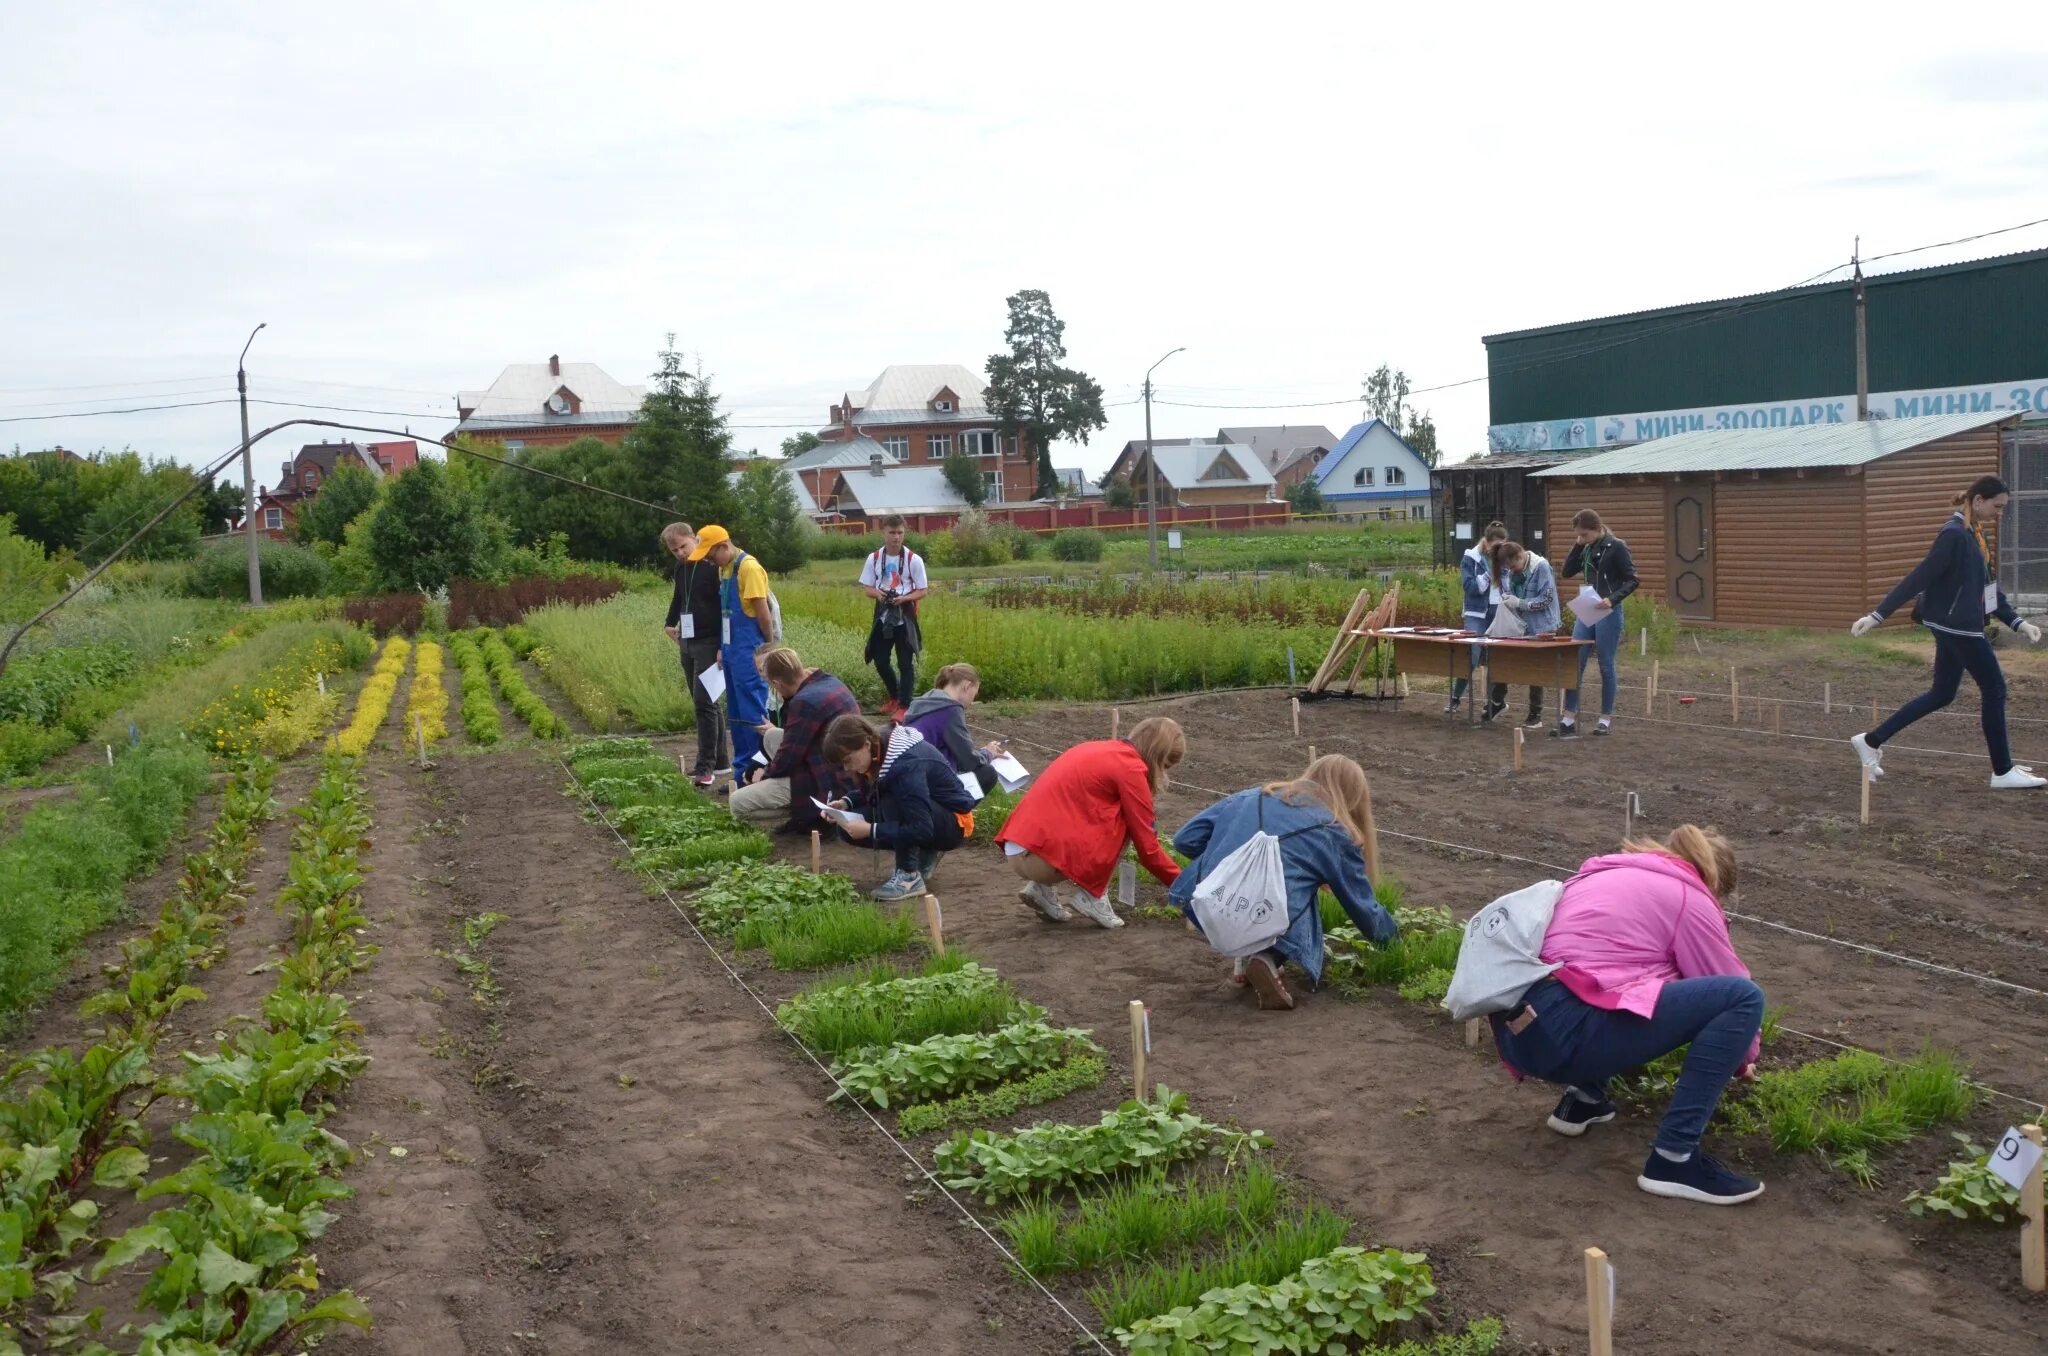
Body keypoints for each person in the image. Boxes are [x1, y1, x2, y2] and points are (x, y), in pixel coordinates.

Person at [1489, 824, 1767, 1206]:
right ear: (1714, 883)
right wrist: (1743, 1057)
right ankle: (1674, 1159)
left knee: (1619, 974)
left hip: (1516, 1031)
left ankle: (1584, 1100)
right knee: (1743, 998)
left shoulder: (1603, 873)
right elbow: (1724, 979)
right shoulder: (1690, 896)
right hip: (1567, 1035)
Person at [1849, 475, 2045, 790]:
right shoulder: (1954, 535)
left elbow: (1988, 589)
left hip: (1955, 626)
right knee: (1995, 689)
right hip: (1960, 628)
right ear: (1978, 501)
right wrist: (1878, 614)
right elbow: (1920, 576)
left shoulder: (1975, 534)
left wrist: (2018, 623)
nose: (2000, 513)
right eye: (1998, 506)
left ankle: (1870, 741)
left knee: (1942, 693)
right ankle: (2003, 771)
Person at [1169, 754, 1400, 1012]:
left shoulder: (1255, 795)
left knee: (1268, 886)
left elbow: (1185, 839)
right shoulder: (1335, 831)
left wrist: (1227, 862)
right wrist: (1396, 945)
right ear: (1353, 796)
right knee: (1295, 890)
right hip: (1262, 912)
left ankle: (1245, 958)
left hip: (1207, 902)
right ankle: (1267, 957)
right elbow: (1362, 907)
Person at [997, 717, 1185, 930]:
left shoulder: (1092, 748)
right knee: (1127, 819)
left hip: (1015, 847)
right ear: (1158, 756)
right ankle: (1094, 896)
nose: (1164, 773)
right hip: (1042, 860)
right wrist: (1184, 885)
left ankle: (1042, 890)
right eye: (1166, 766)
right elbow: (1148, 848)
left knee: (1077, 811)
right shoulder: (1131, 768)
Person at [820, 714, 977, 902]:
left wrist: (872, 829)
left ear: (866, 744)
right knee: (847, 826)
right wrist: (846, 803)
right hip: (927, 812)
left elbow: (921, 828)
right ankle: (923, 852)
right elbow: (875, 787)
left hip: (953, 823)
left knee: (890, 800)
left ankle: (908, 877)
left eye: (847, 760)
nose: (846, 768)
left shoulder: (905, 765)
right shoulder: (880, 748)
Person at [729, 645, 863, 831]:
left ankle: (811, 815)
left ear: (777, 684)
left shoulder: (804, 703)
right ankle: (806, 808)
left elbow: (788, 757)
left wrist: (765, 774)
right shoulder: (828, 681)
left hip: (828, 780)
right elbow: (793, 742)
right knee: (771, 736)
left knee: (737, 803)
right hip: (843, 765)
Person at [689, 525, 779, 774]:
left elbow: (763, 612)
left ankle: (756, 771)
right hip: (730, 650)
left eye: (711, 554)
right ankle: (740, 771)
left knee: (752, 713)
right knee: (737, 715)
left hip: (749, 650)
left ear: (724, 546)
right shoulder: (724, 569)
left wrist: (766, 649)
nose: (709, 560)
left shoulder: (748, 567)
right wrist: (721, 648)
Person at [1557, 509, 1639, 739]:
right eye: (1579, 535)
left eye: (1584, 534)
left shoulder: (1617, 547)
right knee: (1576, 661)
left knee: (1605, 663)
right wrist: (1577, 546)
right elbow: (1566, 572)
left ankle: (1605, 718)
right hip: (1587, 606)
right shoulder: (1585, 547)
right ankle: (1568, 718)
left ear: (1597, 528)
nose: (1582, 538)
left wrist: (1612, 599)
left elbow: (1632, 579)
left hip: (1607, 609)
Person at [662, 522, 729, 789]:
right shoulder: (681, 568)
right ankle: (722, 760)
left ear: (694, 539)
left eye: (683, 546)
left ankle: (705, 767)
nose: (680, 552)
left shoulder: (711, 567)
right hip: (687, 639)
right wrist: (669, 622)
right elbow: (678, 596)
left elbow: (725, 606)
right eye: (674, 549)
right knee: (706, 701)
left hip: (710, 640)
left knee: (704, 703)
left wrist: (724, 644)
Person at [1481, 541, 1559, 731]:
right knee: (1505, 658)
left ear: (1521, 556)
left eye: (1513, 566)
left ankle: (1535, 714)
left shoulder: (1541, 567)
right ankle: (1498, 701)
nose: (1512, 570)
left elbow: (1546, 599)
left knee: (1534, 668)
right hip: (1520, 625)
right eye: (1508, 568)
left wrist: (1520, 603)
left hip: (1542, 627)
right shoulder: (1515, 571)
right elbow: (1514, 592)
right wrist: (1508, 599)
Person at [861, 516, 928, 718]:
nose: (896, 537)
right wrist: (879, 594)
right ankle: (895, 696)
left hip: (904, 616)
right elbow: (867, 587)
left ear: (904, 533)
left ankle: (905, 705)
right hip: (883, 614)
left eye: (900, 533)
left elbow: (923, 590)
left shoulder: (913, 559)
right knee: (880, 660)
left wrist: (904, 598)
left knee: (905, 663)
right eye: (892, 533)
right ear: (884, 533)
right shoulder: (874, 558)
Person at [903, 662, 1007, 792]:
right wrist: (988, 753)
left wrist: (981, 752)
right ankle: (950, 811)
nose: (971, 703)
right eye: (974, 694)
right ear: (967, 686)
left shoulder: (923, 704)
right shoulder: (950, 709)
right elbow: (969, 761)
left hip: (909, 777)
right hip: (926, 784)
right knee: (987, 773)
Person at [1449, 522, 1509, 716]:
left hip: (1498, 610)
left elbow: (1510, 585)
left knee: (1496, 658)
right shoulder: (1471, 558)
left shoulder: (1505, 556)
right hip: (1476, 613)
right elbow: (1471, 588)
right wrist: (1489, 573)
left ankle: (1491, 704)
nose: (1498, 551)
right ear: (1487, 542)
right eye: (1496, 547)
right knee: (1471, 657)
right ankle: (1455, 697)